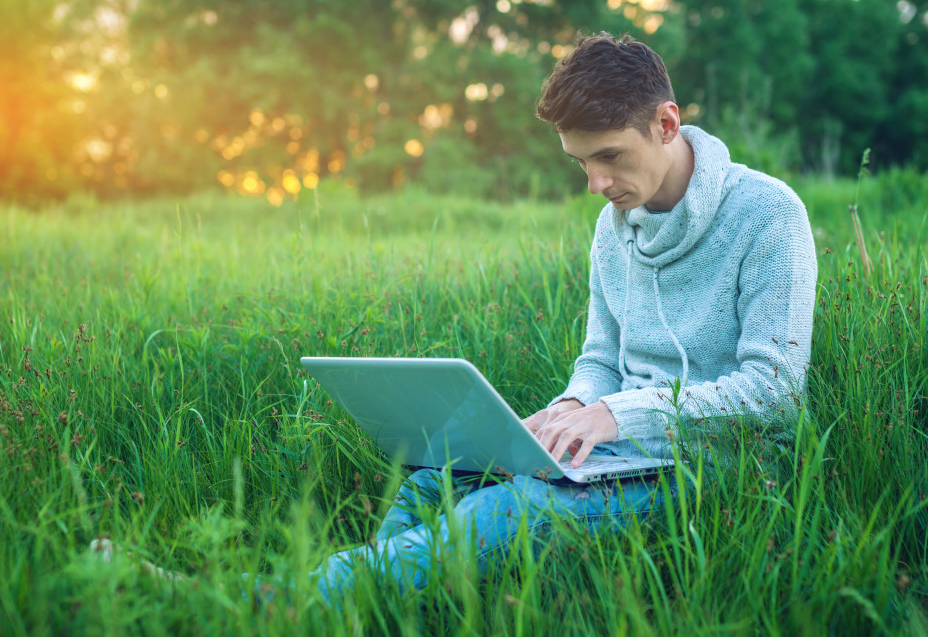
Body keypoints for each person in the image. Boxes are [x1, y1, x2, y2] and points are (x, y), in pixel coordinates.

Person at [93, 32, 818, 605]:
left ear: (666, 123)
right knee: (428, 479)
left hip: (713, 467)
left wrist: (616, 417)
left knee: (495, 515)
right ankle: (350, 605)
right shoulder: (615, 223)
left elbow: (776, 391)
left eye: (609, 157)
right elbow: (602, 358)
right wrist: (569, 407)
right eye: (580, 165)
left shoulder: (768, 216)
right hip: (621, 452)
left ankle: (266, 608)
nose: (597, 185)